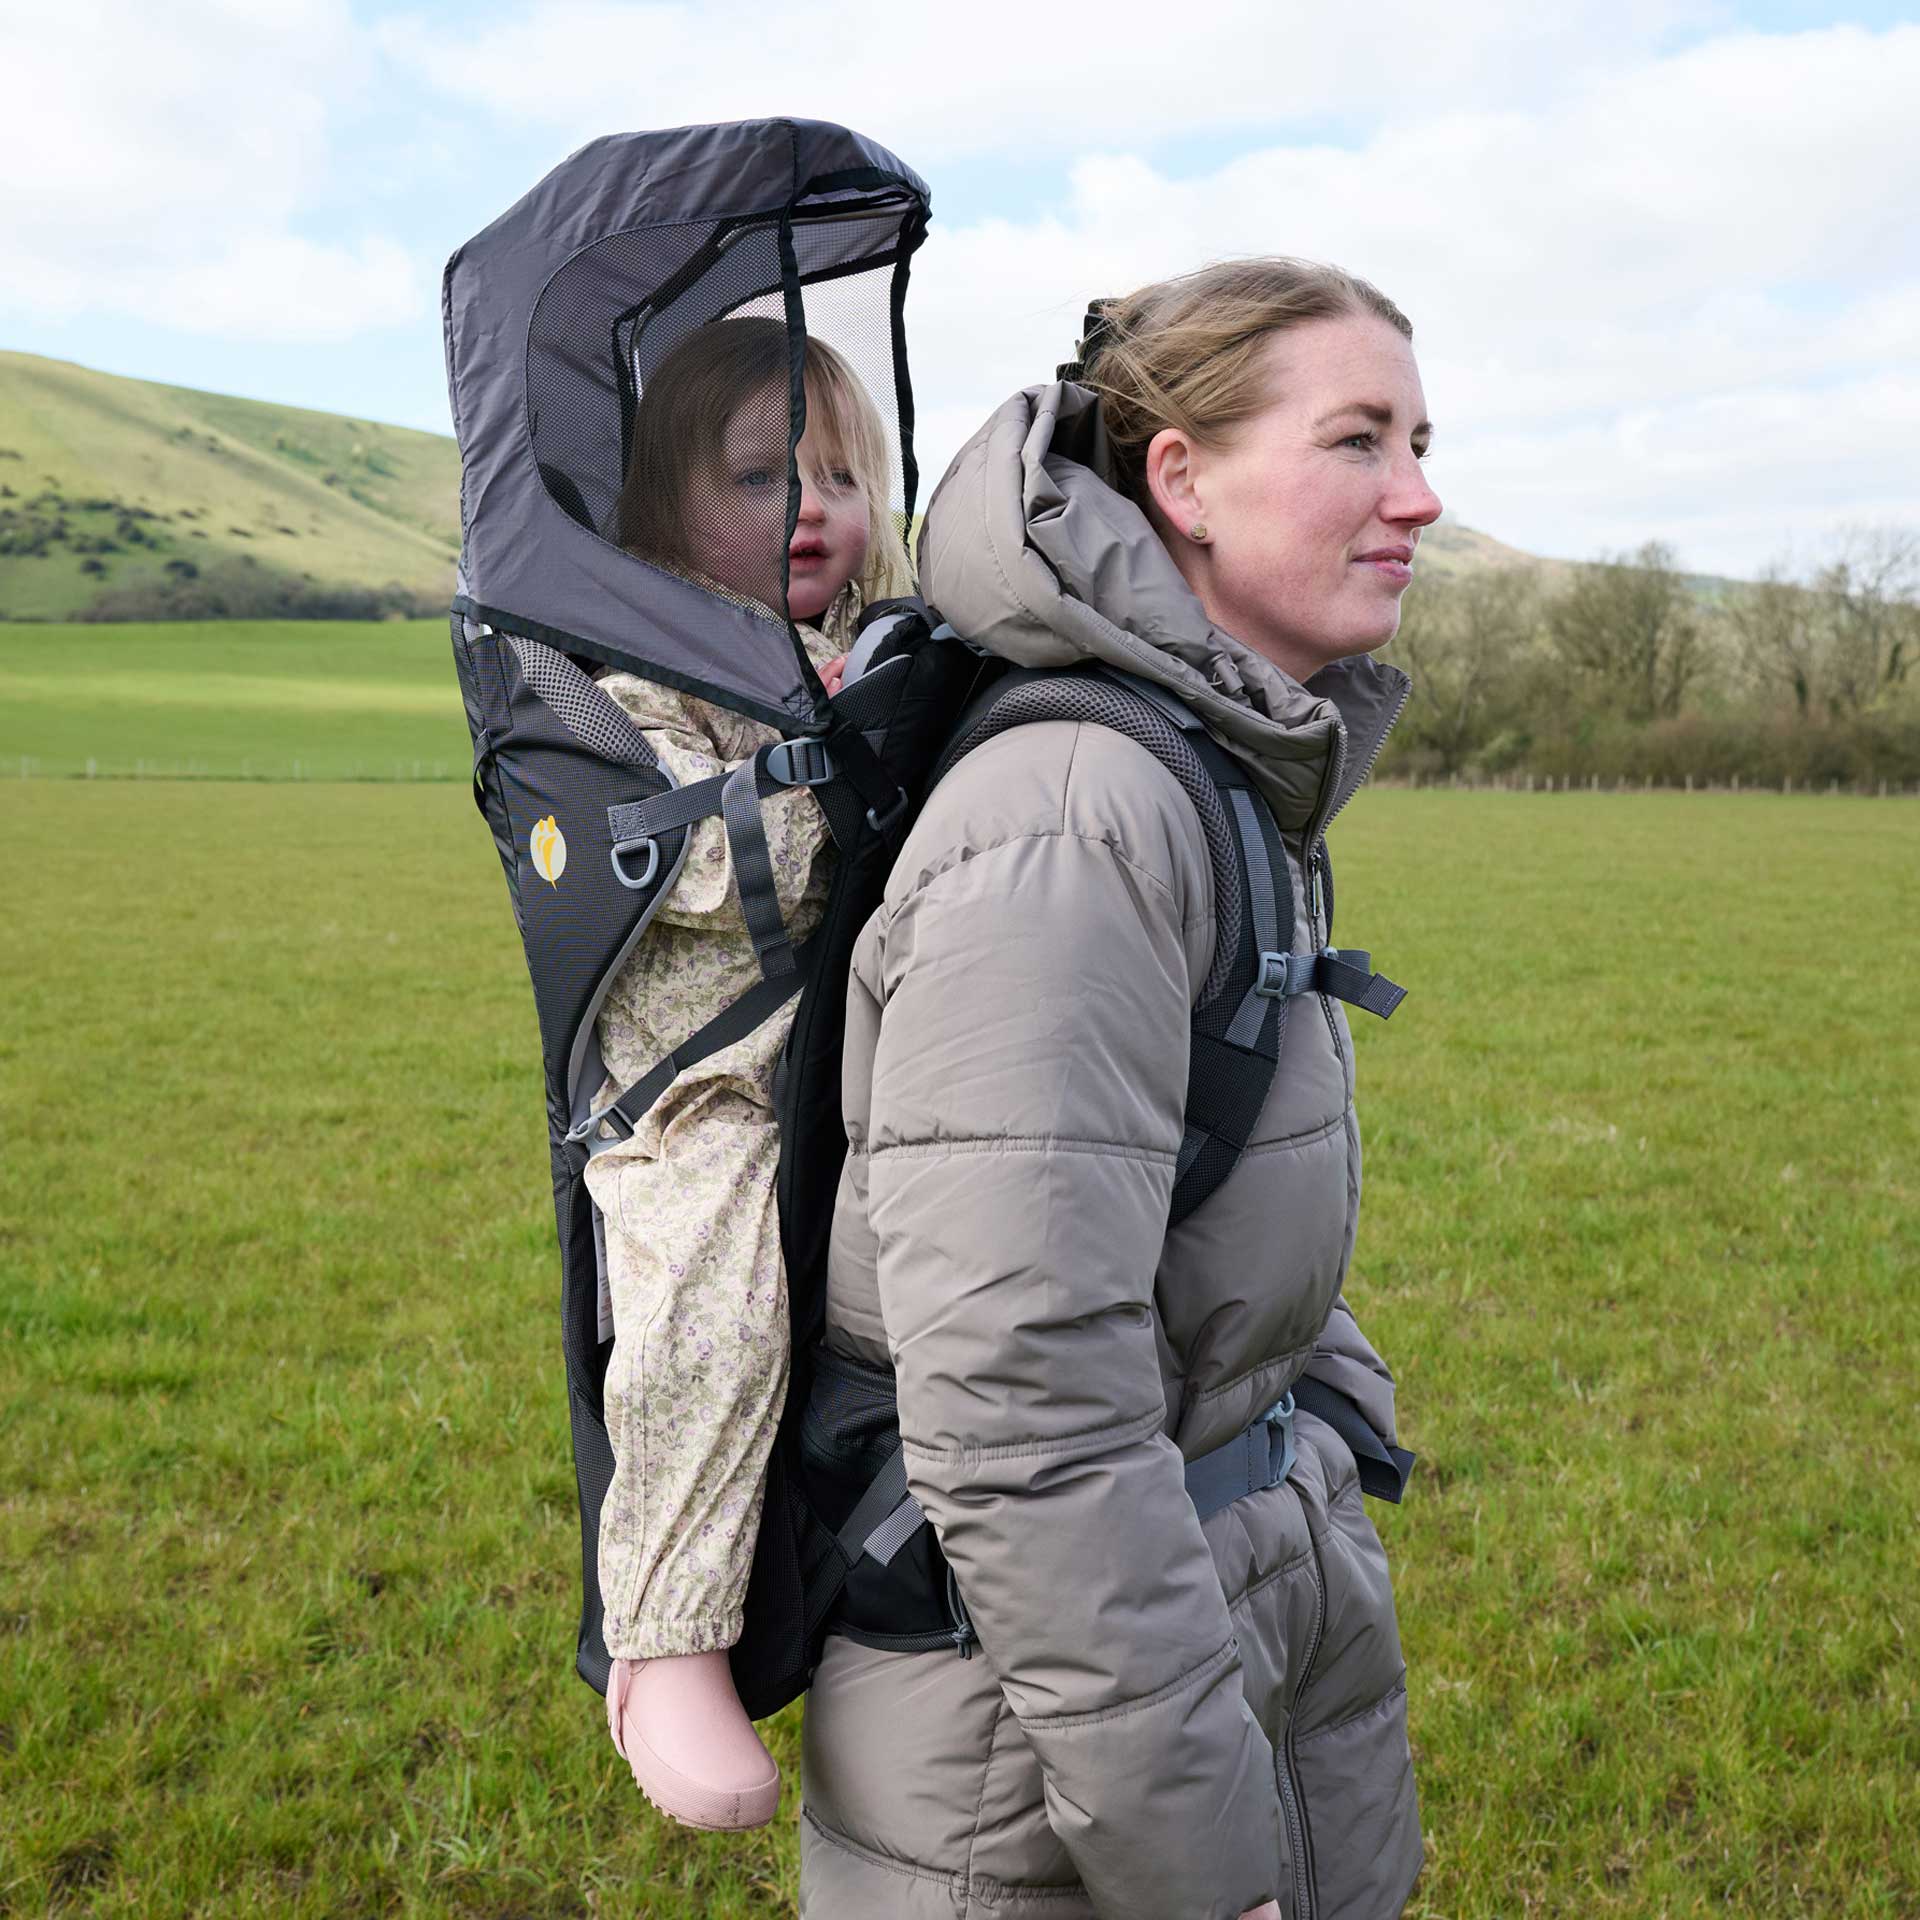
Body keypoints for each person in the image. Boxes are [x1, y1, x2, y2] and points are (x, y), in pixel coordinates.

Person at [798, 260, 1442, 1919]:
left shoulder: (1214, 771)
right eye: (1361, 441)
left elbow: (1199, 1222)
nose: (1421, 498)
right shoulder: (1077, 814)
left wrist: (1309, 1423)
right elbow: (1020, 1398)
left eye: (1420, 442)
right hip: (1029, 1787)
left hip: (1217, 1609)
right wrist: (1198, 1865)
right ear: (1182, 481)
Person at [584, 316, 909, 1829]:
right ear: (661, 508)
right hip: (695, 1089)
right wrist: (837, 763)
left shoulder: (848, 657)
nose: (814, 507)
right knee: (707, 1290)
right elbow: (708, 872)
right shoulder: (617, 691)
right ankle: (665, 1645)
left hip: (841, 1051)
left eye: (839, 473)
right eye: (764, 473)